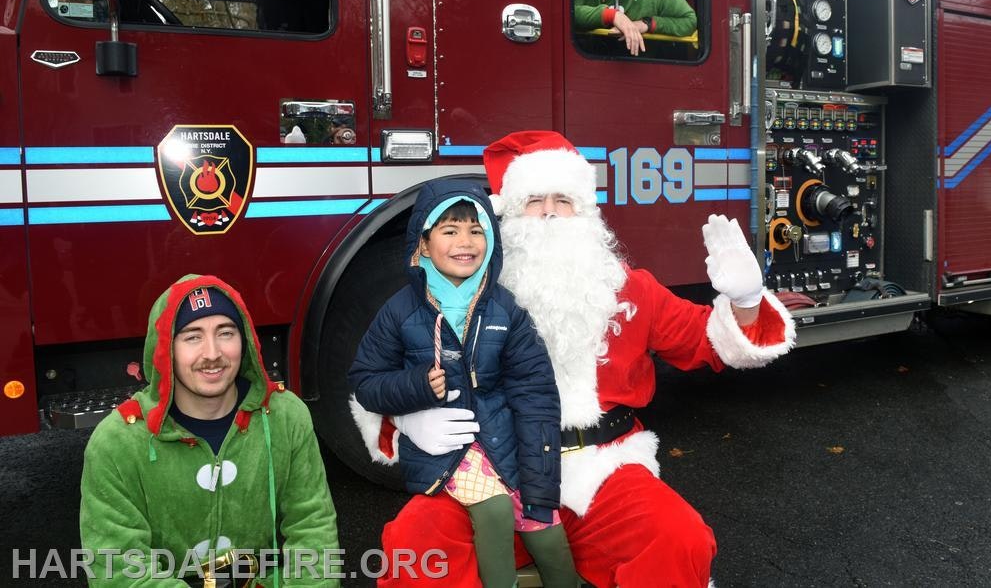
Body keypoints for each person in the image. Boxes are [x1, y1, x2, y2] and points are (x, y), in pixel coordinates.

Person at [354, 131, 796, 587]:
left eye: (563, 199)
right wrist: (408, 420)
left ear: (585, 212)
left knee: (678, 540)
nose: (548, 211)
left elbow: (708, 340)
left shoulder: (629, 288)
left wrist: (745, 299)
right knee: (416, 546)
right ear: (506, 216)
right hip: (493, 467)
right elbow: (379, 376)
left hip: (601, 469)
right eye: (533, 200)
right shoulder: (456, 295)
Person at [348, 178, 579, 588]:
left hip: (500, 440)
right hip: (446, 448)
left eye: (477, 230)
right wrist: (418, 387)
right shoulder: (400, 311)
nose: (465, 241)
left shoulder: (505, 310)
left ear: (491, 241)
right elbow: (365, 381)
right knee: (493, 510)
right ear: (422, 244)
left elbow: (536, 394)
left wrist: (540, 480)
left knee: (544, 525)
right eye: (449, 230)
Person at [80, 275, 340, 586]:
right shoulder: (118, 441)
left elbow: (313, 530)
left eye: (226, 332)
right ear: (165, 350)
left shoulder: (285, 416)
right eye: (192, 336)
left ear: (244, 342)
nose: (213, 353)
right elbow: (119, 569)